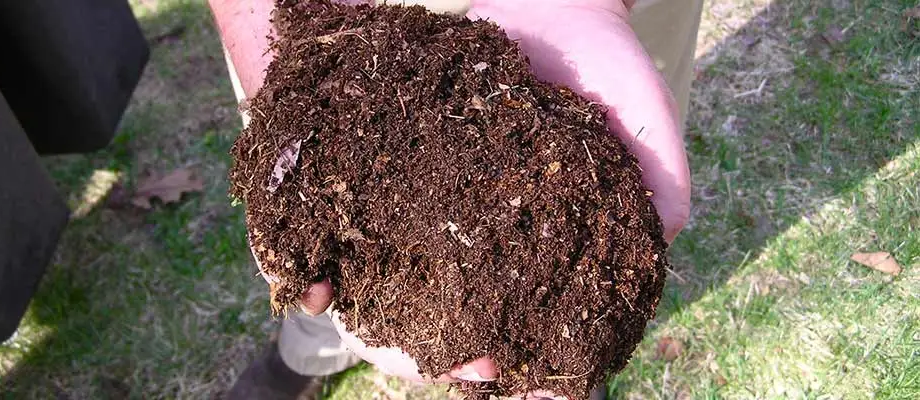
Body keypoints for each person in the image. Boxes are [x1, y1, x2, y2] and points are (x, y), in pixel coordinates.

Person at [208, 0, 699, 398]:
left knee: (569, 327)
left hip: (590, 28)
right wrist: (273, 40)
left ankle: (561, 364)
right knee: (314, 258)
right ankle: (311, 345)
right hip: (325, 33)